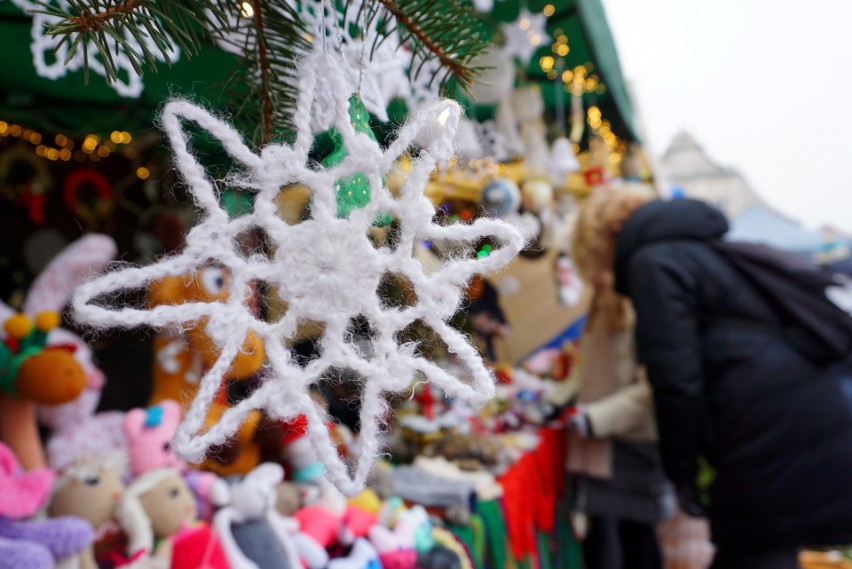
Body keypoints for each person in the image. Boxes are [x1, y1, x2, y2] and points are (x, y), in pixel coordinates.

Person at [571, 188, 852, 569]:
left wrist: (683, 476)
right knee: (767, 548)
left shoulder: (652, 263)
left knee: (753, 551)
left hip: (765, 433)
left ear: (602, 241)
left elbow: (674, 382)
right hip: (804, 415)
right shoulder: (701, 250)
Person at [547, 230, 671, 569]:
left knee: (636, 539)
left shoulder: (649, 303)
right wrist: (556, 400)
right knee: (604, 535)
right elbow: (585, 367)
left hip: (631, 445)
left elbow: (652, 386)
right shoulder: (603, 300)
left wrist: (595, 417)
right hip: (598, 444)